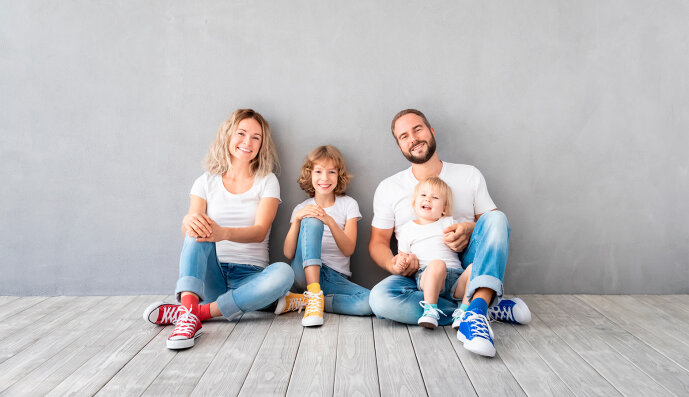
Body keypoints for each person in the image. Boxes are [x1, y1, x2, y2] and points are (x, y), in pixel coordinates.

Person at [368, 109, 530, 357]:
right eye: (404, 136)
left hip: (465, 264)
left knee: (496, 217)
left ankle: (474, 312)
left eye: (417, 129)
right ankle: (482, 305)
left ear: (431, 131)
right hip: (418, 274)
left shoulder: (469, 175)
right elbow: (378, 242)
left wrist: (469, 228)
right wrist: (395, 264)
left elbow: (493, 228)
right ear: (399, 145)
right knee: (379, 300)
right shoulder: (389, 188)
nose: (413, 138)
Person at [142, 109, 294, 350]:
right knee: (196, 227)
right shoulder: (205, 181)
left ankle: (193, 314)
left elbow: (260, 231)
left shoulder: (267, 181)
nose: (248, 142)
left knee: (284, 274)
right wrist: (187, 221)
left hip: (250, 279)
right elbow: (190, 226)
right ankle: (191, 313)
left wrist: (223, 232)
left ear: (262, 144)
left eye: (256, 137)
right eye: (241, 133)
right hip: (212, 277)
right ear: (227, 136)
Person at [277, 145, 372, 326]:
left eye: (331, 172)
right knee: (312, 221)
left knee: (370, 303)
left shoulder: (348, 204)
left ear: (339, 175)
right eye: (318, 171)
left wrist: (329, 220)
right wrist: (297, 220)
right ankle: (312, 293)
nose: (324, 178)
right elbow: (289, 253)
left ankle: (308, 302)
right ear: (310, 174)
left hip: (334, 278)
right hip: (303, 272)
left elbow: (348, 249)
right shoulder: (301, 208)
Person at [396, 177, 463, 328]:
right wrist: (402, 261)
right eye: (423, 195)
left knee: (473, 269)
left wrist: (456, 239)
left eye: (435, 197)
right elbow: (402, 255)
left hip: (456, 276)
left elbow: (462, 241)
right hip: (428, 276)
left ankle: (464, 311)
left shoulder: (448, 222)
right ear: (414, 203)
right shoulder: (408, 228)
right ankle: (430, 310)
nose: (428, 200)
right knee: (438, 264)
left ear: (444, 209)